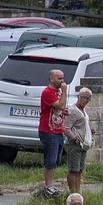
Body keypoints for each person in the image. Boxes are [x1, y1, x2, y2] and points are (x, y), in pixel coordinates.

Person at [37, 65, 68, 195]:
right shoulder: (47, 92)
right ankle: (48, 186)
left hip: (58, 129)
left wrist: (63, 111)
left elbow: (60, 107)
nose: (62, 80)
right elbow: (60, 105)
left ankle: (51, 184)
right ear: (51, 79)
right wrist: (65, 91)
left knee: (56, 160)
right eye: (59, 78)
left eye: (63, 78)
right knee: (50, 160)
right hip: (48, 130)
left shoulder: (58, 92)